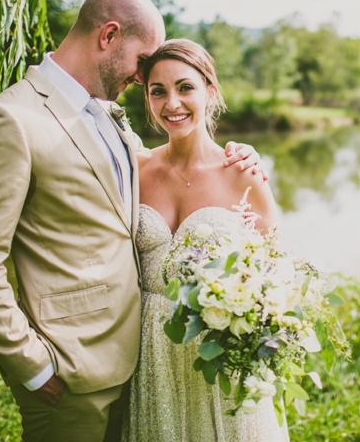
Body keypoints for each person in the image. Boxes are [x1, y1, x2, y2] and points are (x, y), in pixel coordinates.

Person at [0, 0, 264, 442]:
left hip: (138, 369)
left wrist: (237, 158)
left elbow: (161, 172)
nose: (141, 78)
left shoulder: (107, 116)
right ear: (109, 35)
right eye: (143, 59)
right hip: (69, 377)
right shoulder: (11, 121)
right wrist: (30, 366)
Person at [122, 39, 289, 441]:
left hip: (218, 351)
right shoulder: (134, 167)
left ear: (210, 91)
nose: (171, 103)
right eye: (157, 91)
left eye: (185, 87)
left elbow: (279, 268)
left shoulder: (242, 173)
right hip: (149, 349)